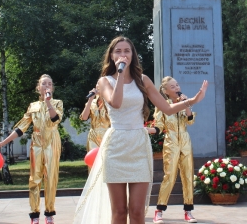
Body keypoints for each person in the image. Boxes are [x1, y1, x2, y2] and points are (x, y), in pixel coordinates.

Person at [73, 36, 208, 224]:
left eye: (126, 50)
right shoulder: (105, 82)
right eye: (118, 51)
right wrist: (120, 75)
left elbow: (167, 108)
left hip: (138, 144)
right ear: (112, 56)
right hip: (116, 146)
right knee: (119, 211)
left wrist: (192, 101)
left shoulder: (143, 80)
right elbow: (116, 103)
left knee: (137, 211)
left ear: (132, 55)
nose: (122, 54)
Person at [0, 74, 63, 224]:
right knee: (35, 179)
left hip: (52, 141)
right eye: (44, 84)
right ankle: (35, 215)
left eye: (49, 84)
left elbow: (55, 120)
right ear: (38, 88)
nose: (47, 86)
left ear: (52, 88)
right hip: (36, 142)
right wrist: (3, 143)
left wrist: (48, 103)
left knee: (51, 178)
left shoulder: (57, 103)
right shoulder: (33, 106)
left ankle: (49, 213)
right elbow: (21, 128)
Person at [153, 76, 197, 224]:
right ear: (166, 91)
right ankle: (159, 211)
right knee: (170, 176)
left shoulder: (185, 102)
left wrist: (186, 104)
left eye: (177, 85)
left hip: (185, 141)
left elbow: (190, 122)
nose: (177, 88)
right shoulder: (162, 106)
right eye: (172, 87)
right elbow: (158, 125)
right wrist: (151, 130)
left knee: (188, 175)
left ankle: (188, 211)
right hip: (171, 142)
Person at [79, 86, 111, 170]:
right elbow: (84, 117)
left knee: (106, 164)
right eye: (97, 86)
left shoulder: (110, 102)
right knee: (93, 164)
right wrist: (90, 100)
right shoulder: (91, 103)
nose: (98, 88)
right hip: (93, 136)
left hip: (107, 135)